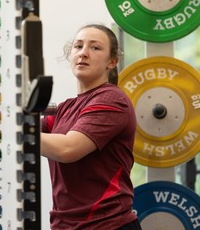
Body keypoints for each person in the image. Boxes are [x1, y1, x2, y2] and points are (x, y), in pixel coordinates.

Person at [41, 23, 142, 230]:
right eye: (78, 47)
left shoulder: (112, 99)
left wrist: (13, 132)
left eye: (95, 48)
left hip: (107, 225)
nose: (83, 53)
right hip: (65, 225)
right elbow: (27, 132)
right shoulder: (65, 108)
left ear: (112, 62)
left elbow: (67, 149)